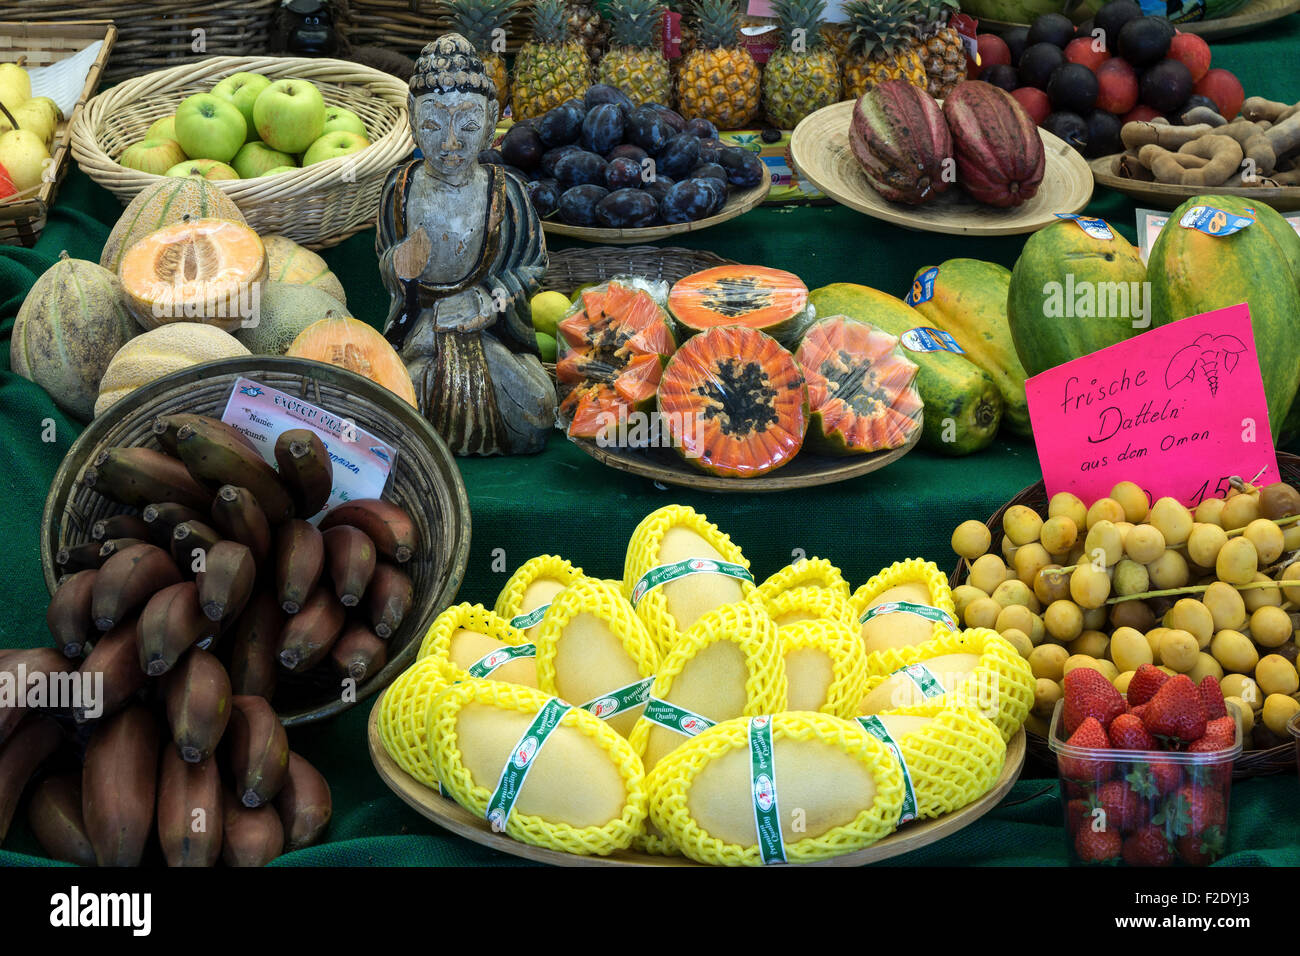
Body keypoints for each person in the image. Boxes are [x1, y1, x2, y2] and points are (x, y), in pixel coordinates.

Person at [376, 33, 554, 456]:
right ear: (413, 120)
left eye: (468, 125)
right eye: (434, 125)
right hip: (422, 329)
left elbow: (534, 266)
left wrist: (488, 300)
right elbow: (385, 263)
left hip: (491, 332)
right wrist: (399, 267)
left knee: (539, 406)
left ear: (492, 122)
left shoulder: (506, 191)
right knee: (399, 399)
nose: (451, 143)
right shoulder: (398, 190)